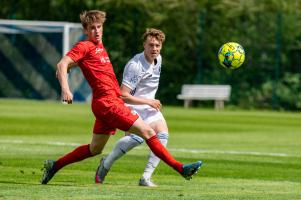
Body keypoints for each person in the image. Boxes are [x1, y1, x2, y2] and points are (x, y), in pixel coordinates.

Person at [41, 10, 202, 185]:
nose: (96, 31)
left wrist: (69, 69)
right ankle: (180, 169)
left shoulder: (99, 48)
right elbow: (62, 64)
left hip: (105, 103)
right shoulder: (84, 46)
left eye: (99, 27)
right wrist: (66, 89)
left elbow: (71, 66)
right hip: (108, 103)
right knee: (148, 131)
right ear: (86, 31)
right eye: (92, 28)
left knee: (95, 149)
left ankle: (54, 165)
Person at [96, 28, 171, 187]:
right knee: (136, 139)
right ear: (144, 44)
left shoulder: (159, 59)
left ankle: (146, 177)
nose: (154, 49)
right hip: (133, 106)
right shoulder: (135, 65)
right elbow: (123, 95)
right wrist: (148, 102)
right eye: (151, 45)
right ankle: (106, 163)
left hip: (149, 107)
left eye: (157, 45)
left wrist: (150, 102)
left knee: (163, 134)